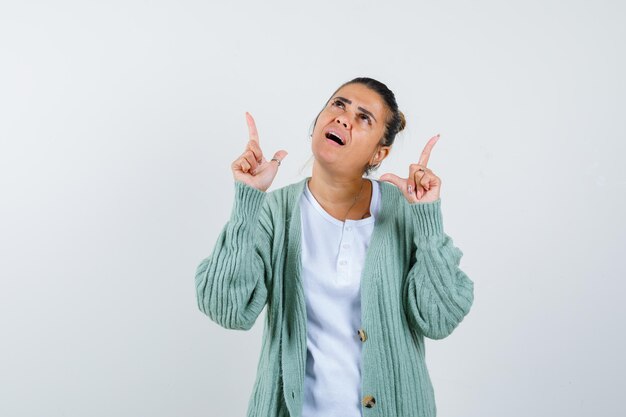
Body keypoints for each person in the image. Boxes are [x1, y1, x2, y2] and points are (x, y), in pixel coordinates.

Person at [195, 77, 475, 417]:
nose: (344, 118)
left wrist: (427, 219)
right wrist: (247, 200)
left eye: (363, 117)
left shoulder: (404, 212)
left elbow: (440, 318)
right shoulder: (276, 212)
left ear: (379, 153)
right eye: (338, 105)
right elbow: (226, 307)